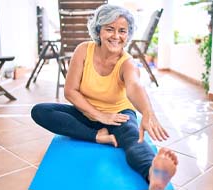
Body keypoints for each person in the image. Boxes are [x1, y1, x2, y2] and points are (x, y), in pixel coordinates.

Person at [31, 4, 178, 190]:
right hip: (85, 113)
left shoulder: (127, 63)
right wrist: (99, 117)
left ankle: (153, 176)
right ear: (98, 30)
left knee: (133, 139)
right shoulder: (83, 50)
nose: (116, 36)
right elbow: (70, 91)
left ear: (128, 34)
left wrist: (147, 112)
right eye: (110, 29)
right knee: (41, 111)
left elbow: (134, 86)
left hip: (118, 115)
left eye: (122, 31)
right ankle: (98, 136)